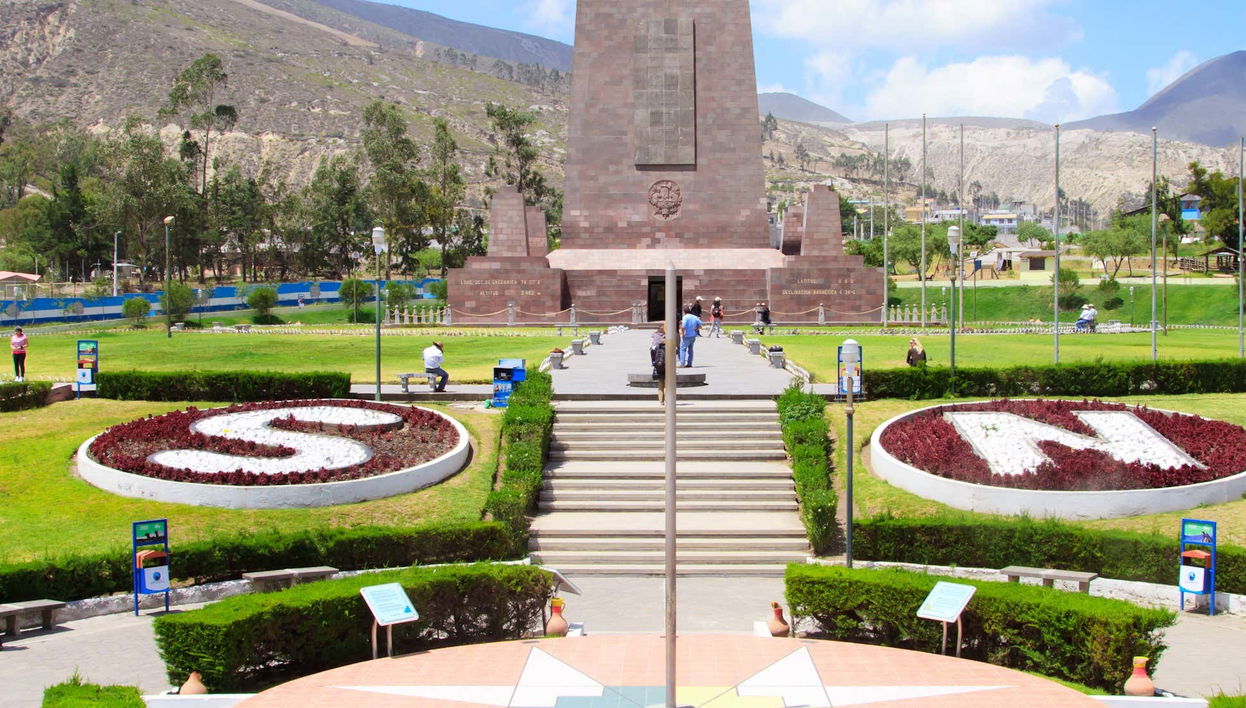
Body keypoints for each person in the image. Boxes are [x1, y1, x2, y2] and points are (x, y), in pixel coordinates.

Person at [650, 323, 667, 404]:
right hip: (667, 363)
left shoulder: (654, 336)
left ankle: (661, 401)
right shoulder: (668, 337)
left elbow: (652, 352)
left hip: (658, 363)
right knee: (668, 383)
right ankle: (668, 401)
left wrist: (653, 363)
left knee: (660, 382)